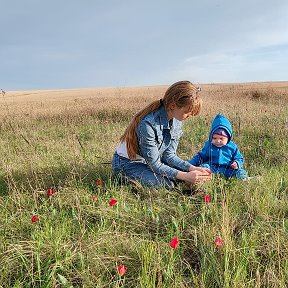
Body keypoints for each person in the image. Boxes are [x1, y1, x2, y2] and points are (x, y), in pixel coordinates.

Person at [111, 80, 212, 189]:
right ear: (173, 105)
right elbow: (155, 165)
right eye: (188, 111)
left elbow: (169, 155)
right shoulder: (148, 124)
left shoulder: (177, 121)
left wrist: (192, 168)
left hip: (149, 161)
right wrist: (185, 176)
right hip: (127, 163)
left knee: (189, 177)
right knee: (167, 184)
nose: (190, 115)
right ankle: (124, 177)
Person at [188, 114, 247, 179]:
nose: (218, 141)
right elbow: (200, 156)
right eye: (215, 138)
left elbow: (239, 158)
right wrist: (189, 164)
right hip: (212, 168)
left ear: (228, 138)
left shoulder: (232, 147)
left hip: (228, 169)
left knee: (240, 172)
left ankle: (244, 179)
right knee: (203, 167)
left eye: (221, 138)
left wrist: (237, 163)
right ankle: (204, 178)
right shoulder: (209, 145)